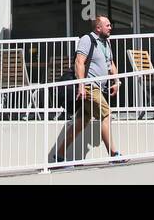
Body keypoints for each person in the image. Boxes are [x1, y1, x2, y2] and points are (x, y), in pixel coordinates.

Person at [52, 14, 123, 163]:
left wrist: (116, 81)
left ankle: (59, 155)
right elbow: (79, 62)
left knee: (80, 123)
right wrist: (82, 85)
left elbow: (111, 64)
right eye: (107, 25)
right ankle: (114, 155)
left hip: (97, 87)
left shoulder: (106, 43)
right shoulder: (87, 39)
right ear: (98, 27)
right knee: (106, 115)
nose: (111, 27)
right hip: (90, 86)